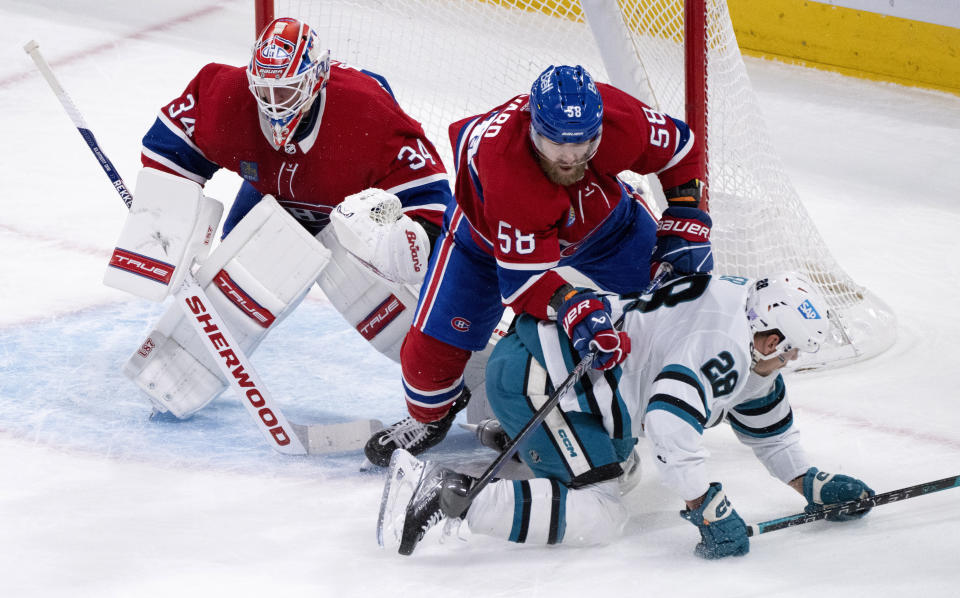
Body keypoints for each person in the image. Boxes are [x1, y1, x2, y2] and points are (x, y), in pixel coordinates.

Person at [381, 272, 875, 557]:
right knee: (601, 513)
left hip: (556, 373)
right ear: (768, 337)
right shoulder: (725, 347)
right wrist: (704, 503)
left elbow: (763, 414)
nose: (787, 362)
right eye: (787, 351)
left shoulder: (740, 311)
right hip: (544, 381)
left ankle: (516, 442)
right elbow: (667, 423)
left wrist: (807, 481)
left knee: (626, 471)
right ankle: (449, 495)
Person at [106, 17, 454, 419]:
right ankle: (173, 379)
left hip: (345, 213)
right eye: (265, 90)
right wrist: (171, 222)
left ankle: (445, 377)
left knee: (383, 310)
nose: (274, 105)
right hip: (268, 198)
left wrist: (416, 239)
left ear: (316, 78)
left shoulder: (367, 114)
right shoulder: (228, 97)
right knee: (232, 297)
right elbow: (167, 149)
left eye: (286, 90)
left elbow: (429, 194)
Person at [364, 64, 712, 466]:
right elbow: (523, 284)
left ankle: (676, 399)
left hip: (602, 224)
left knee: (680, 307)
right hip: (483, 242)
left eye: (583, 146)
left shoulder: (619, 119)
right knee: (428, 367)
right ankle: (431, 415)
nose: (569, 159)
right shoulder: (508, 172)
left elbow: (682, 150)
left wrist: (687, 216)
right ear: (532, 127)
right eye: (556, 146)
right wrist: (573, 304)